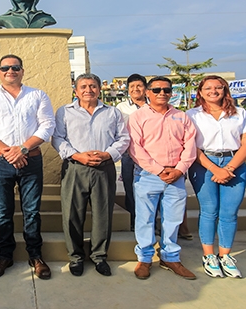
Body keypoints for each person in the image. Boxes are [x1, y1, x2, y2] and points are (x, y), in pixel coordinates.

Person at [0, 54, 56, 280]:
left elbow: (47, 125)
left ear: (22, 70)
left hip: (31, 160)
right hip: (0, 163)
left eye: (15, 67)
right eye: (5, 67)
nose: (11, 70)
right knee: (3, 213)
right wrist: (9, 152)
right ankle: (5, 255)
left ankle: (35, 255)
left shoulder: (37, 95)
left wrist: (23, 149)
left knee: (31, 212)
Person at [52, 73, 129, 277]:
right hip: (75, 167)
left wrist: (108, 154)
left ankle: (99, 256)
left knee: (103, 214)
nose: (89, 90)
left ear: (99, 89)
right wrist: (78, 156)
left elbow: (123, 139)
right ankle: (76, 257)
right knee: (72, 215)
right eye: (84, 86)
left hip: (103, 168)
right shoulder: (65, 112)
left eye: (93, 86)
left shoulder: (112, 113)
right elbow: (58, 139)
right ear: (75, 91)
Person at [128, 76, 197, 280]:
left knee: (173, 219)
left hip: (175, 175)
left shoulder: (181, 117)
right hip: (148, 175)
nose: (162, 94)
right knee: (145, 218)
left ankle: (170, 257)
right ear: (147, 92)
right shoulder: (138, 117)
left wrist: (179, 169)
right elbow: (135, 148)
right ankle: (145, 258)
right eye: (156, 90)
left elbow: (190, 145)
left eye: (166, 90)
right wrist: (158, 170)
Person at [186, 75, 246, 278]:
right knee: (209, 211)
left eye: (218, 87)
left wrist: (230, 167)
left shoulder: (239, 114)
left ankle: (225, 255)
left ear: (225, 90)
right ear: (200, 92)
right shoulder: (192, 115)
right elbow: (192, 146)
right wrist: (214, 169)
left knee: (229, 212)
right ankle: (209, 256)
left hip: (234, 163)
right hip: (204, 164)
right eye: (208, 88)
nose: (213, 91)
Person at [115, 74, 148, 230]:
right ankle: (134, 222)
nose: (136, 89)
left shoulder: (153, 105)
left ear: (145, 88)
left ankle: (151, 223)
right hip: (130, 154)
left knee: (150, 189)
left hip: (152, 154)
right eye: (132, 87)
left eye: (139, 86)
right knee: (131, 188)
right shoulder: (121, 108)